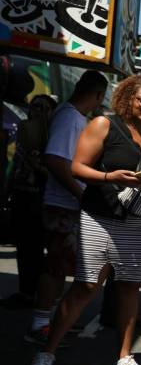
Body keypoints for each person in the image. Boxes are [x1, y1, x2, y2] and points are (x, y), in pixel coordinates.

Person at [30, 75, 141, 365]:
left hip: (136, 222)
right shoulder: (104, 125)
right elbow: (76, 167)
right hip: (100, 217)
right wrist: (111, 178)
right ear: (127, 98)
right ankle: (47, 352)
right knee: (87, 286)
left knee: (129, 288)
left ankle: (125, 356)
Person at [24, 71, 108, 344]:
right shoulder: (71, 117)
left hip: (66, 203)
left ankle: (47, 321)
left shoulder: (72, 115)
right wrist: (80, 194)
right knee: (56, 266)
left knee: (60, 265)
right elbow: (55, 160)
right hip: (63, 204)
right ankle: (39, 325)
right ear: (98, 96)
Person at [4, 94, 56, 308]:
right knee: (24, 248)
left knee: (38, 250)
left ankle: (39, 296)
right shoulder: (24, 131)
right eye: (35, 106)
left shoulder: (54, 136)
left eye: (44, 107)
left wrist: (39, 167)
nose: (38, 111)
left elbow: (58, 173)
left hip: (42, 199)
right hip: (22, 195)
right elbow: (15, 166)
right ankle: (25, 291)